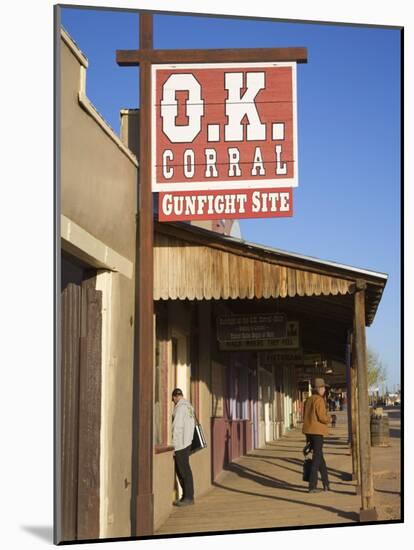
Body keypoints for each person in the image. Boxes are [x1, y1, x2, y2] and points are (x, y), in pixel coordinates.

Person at [302, 378, 331, 493]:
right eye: (323, 388)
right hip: (318, 432)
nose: (324, 390)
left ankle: (326, 483)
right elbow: (322, 418)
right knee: (316, 458)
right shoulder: (319, 400)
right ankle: (312, 485)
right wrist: (330, 418)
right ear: (319, 389)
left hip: (309, 432)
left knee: (320, 457)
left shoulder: (308, 400)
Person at [171, 388, 196, 506]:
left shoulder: (180, 408)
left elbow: (177, 427)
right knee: (186, 470)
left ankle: (188, 497)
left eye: (173, 399)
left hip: (181, 444)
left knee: (183, 471)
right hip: (188, 442)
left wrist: (174, 445)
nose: (173, 401)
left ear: (175, 397)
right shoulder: (189, 407)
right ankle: (186, 496)